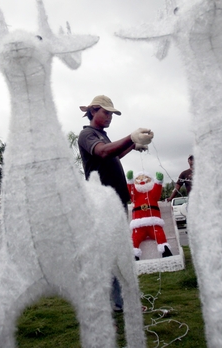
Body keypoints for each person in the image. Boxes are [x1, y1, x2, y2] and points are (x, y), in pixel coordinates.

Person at [78, 94, 153, 312]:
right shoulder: (87, 134)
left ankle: (118, 302)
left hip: (114, 202)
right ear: (93, 111)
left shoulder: (101, 134)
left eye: (112, 113)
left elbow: (113, 156)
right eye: (106, 112)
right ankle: (117, 302)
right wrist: (131, 137)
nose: (110, 117)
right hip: (102, 203)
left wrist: (134, 146)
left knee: (115, 252)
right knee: (113, 253)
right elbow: (102, 152)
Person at [126, 170, 173, 260]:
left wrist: (158, 182)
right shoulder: (135, 196)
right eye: (138, 179)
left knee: (160, 235)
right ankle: (134, 256)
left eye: (146, 179)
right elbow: (131, 190)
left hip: (154, 223)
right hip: (139, 225)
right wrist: (130, 180)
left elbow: (157, 192)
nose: (142, 181)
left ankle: (166, 252)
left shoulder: (152, 194)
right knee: (135, 239)